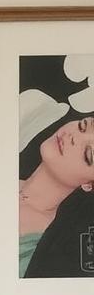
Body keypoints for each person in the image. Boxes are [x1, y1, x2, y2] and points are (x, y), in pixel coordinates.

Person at [19, 115, 94, 277]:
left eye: (88, 155)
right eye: (83, 125)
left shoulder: (40, 248)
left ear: (88, 184)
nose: (73, 136)